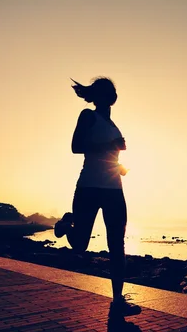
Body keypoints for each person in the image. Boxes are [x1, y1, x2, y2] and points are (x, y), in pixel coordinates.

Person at [54, 77, 140, 316]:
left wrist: (119, 166)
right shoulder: (88, 116)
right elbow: (75, 146)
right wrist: (110, 145)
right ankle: (66, 224)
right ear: (97, 96)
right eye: (107, 92)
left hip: (114, 188)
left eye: (113, 91)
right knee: (80, 244)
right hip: (89, 186)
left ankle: (118, 301)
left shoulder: (113, 125)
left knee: (117, 245)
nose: (112, 96)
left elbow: (109, 157)